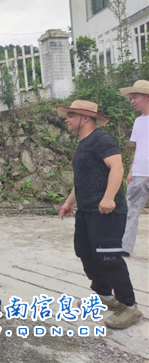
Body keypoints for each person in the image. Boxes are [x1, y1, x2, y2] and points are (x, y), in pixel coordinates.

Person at [57, 100, 143, 329]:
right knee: (85, 252)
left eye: (71, 115)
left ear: (85, 118)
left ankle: (129, 306)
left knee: (109, 258)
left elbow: (117, 167)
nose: (66, 119)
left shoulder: (102, 139)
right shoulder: (82, 144)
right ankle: (104, 296)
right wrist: (69, 202)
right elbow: (81, 180)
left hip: (107, 211)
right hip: (86, 211)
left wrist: (108, 198)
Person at [119, 80, 149, 256]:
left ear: (147, 97)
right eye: (131, 98)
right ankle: (125, 247)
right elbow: (138, 148)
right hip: (139, 173)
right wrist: (131, 170)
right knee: (131, 210)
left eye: (135, 97)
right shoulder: (138, 122)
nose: (132, 101)